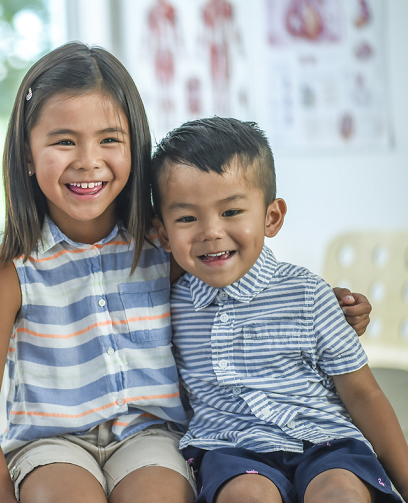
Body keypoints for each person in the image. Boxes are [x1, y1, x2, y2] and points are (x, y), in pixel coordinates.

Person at [0, 42, 373, 503]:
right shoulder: (7, 273)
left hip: (151, 437)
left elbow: (242, 297)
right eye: (63, 140)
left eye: (109, 139)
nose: (88, 159)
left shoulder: (167, 246)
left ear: (136, 147)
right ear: (27, 155)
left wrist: (327, 308)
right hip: (51, 446)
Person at [151, 117, 408, 503]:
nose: (210, 231)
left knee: (340, 493)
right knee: (246, 496)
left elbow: (364, 395)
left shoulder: (310, 295)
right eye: (187, 218)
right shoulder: (167, 305)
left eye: (231, 212)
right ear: (163, 234)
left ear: (271, 217)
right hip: (231, 449)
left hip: (326, 441)